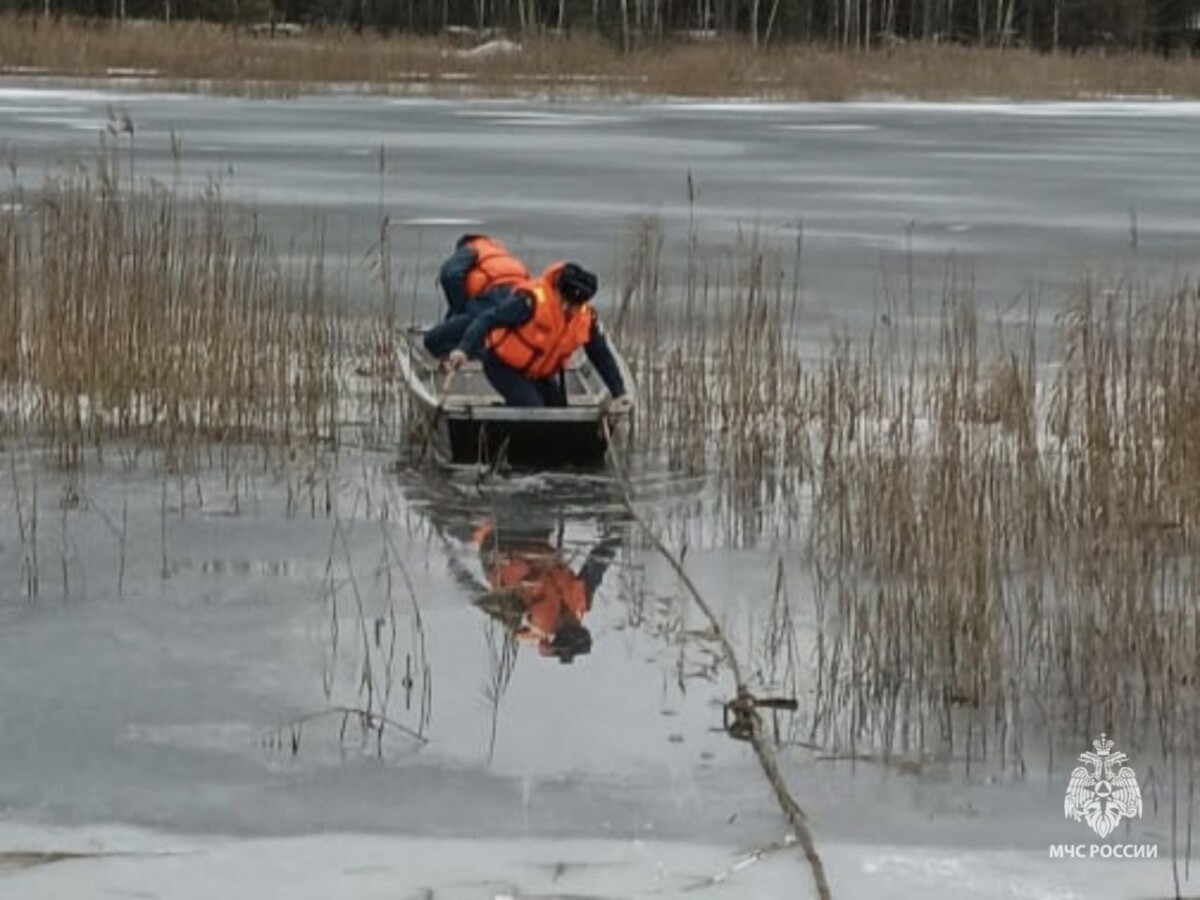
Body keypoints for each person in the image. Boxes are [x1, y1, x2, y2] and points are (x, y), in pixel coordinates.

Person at [444, 260, 633, 412]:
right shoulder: (529, 302)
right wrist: (463, 349)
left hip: (538, 374)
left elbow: (600, 354)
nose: (567, 308)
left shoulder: (586, 318)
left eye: (573, 305)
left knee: (559, 414)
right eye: (564, 302)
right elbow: (487, 319)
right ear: (557, 291)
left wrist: (619, 392)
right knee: (533, 410)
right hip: (502, 366)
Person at [471, 519, 622, 664]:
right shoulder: (581, 601)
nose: (570, 619)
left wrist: (548, 648)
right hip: (535, 538)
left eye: (565, 626)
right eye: (576, 623)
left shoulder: (531, 623)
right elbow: (597, 564)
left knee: (485, 524)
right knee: (541, 514)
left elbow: (492, 606)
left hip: (500, 551)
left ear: (557, 631)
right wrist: (616, 536)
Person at [423, 234, 531, 357]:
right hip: (521, 300)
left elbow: (450, 274)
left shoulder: (472, 247)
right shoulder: (503, 255)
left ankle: (485, 354)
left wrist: (458, 309)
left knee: (433, 341)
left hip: (492, 299)